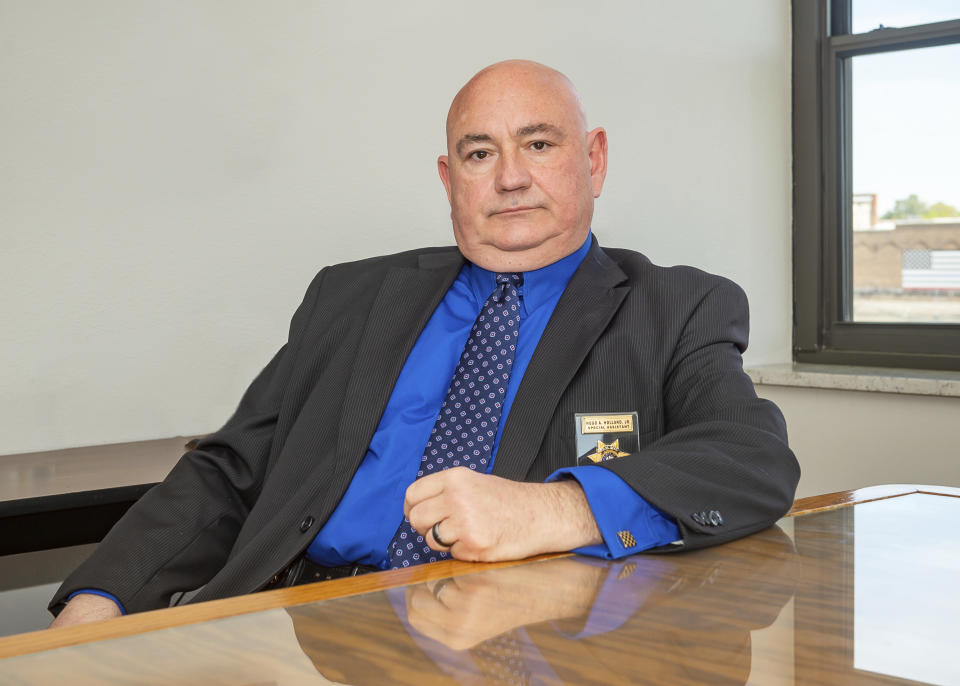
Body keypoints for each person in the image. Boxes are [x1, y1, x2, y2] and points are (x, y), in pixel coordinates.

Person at [50, 60, 799, 627]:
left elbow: (752, 461)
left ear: (593, 159)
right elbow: (229, 471)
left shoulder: (675, 307)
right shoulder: (350, 297)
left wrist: (553, 512)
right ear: (449, 179)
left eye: (538, 144)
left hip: (513, 634)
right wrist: (99, 595)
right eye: (479, 155)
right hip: (299, 625)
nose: (509, 178)